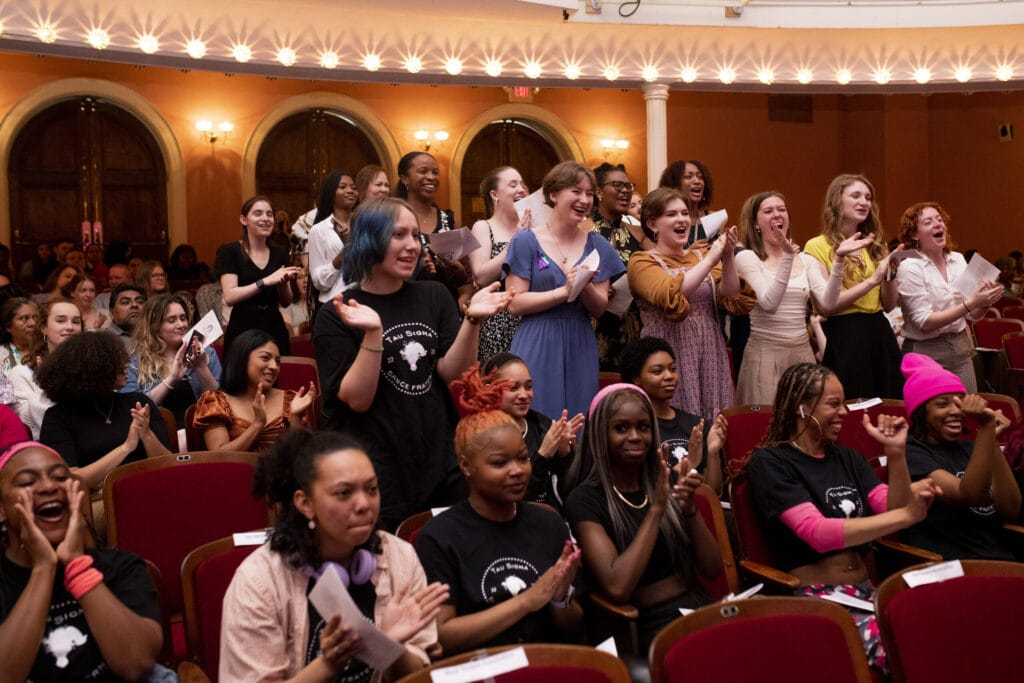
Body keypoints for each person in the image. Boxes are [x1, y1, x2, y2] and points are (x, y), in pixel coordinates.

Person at [313, 197, 512, 529]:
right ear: (368, 240)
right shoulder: (338, 313)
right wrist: (374, 334)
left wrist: (472, 321)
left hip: (438, 462)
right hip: (375, 470)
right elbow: (357, 400)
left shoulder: (433, 296)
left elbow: (454, 374)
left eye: (415, 235)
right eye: (398, 235)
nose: (412, 246)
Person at [744, 362, 940, 671]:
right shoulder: (770, 462)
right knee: (907, 654)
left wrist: (896, 454)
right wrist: (907, 516)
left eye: (844, 403)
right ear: (802, 407)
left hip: (867, 593)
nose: (844, 412)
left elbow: (890, 507)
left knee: (940, 634)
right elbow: (817, 533)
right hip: (816, 598)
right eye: (834, 404)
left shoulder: (848, 457)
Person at [220, 429, 447, 682]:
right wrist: (328, 665)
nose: (364, 504)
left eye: (372, 489)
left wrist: (389, 647)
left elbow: (420, 676)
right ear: (305, 503)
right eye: (344, 493)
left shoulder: (398, 556)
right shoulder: (258, 581)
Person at [415, 367, 583, 654]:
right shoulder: (438, 538)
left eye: (521, 458)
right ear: (467, 466)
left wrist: (559, 598)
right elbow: (440, 637)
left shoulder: (549, 524)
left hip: (544, 662)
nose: (517, 471)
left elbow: (574, 625)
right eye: (499, 463)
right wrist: (528, 600)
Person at [564, 384, 720, 653]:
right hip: (644, 625)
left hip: (696, 605)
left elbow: (712, 567)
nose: (635, 436)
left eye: (644, 427)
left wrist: (690, 510)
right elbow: (617, 587)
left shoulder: (666, 479)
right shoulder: (585, 500)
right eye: (621, 428)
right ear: (601, 434)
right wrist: (657, 510)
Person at [0, 441, 165, 682]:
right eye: (27, 482)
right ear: (1, 508)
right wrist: (43, 569)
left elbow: (137, 664)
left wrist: (77, 566)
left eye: (59, 477)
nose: (48, 486)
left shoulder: (121, 566)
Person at [504, 161, 625, 419]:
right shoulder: (526, 240)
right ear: (553, 194)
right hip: (537, 336)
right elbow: (515, 304)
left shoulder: (598, 245)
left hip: (579, 338)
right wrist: (565, 290)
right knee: (538, 414)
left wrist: (583, 286)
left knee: (578, 416)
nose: (584, 200)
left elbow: (600, 307)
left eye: (590, 193)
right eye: (576, 191)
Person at [627, 188, 749, 420]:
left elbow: (731, 295)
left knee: (714, 421)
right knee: (677, 419)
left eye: (685, 213)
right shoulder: (641, 261)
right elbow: (673, 295)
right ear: (653, 224)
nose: (682, 219)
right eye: (671, 214)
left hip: (709, 347)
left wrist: (727, 257)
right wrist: (713, 257)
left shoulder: (701, 256)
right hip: (667, 351)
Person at [900, 353, 1021, 559]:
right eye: (942, 404)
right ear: (921, 412)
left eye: (959, 403)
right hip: (953, 562)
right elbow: (968, 494)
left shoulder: (969, 447)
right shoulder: (911, 453)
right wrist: (986, 428)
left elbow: (1011, 508)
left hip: (998, 555)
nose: (955, 411)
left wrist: (991, 439)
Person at [734, 191, 844, 404]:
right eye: (768, 211)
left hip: (802, 354)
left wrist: (838, 260)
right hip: (764, 355)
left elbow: (828, 304)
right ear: (756, 224)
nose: (777, 214)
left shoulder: (806, 260)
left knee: (805, 422)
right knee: (766, 425)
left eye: (781, 209)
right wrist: (786, 259)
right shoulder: (748, 257)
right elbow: (769, 303)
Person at [804, 174, 903, 399]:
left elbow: (888, 305)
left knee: (889, 401)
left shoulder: (875, 244)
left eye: (868, 197)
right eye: (856, 196)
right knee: (853, 404)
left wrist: (890, 275)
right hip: (845, 335)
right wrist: (872, 281)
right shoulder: (817, 245)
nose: (864, 202)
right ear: (837, 201)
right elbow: (826, 307)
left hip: (879, 332)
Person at [37, 331, 169, 492]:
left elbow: (167, 464)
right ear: (94, 369)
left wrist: (147, 435)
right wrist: (126, 447)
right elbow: (71, 481)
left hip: (151, 487)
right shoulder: (58, 418)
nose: (127, 365)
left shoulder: (138, 402)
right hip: (99, 499)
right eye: (117, 362)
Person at [897, 202, 1002, 392]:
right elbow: (924, 323)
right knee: (933, 418)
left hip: (961, 349)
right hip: (926, 352)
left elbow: (972, 315)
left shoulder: (958, 259)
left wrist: (984, 302)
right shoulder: (910, 266)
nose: (938, 224)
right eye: (928, 222)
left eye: (939, 220)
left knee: (968, 411)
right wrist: (971, 304)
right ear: (914, 235)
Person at [619, 336, 725, 494]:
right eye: (657, 371)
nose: (669, 376)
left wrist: (713, 453)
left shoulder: (697, 425)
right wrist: (689, 463)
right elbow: (644, 489)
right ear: (636, 378)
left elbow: (712, 493)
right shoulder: (634, 431)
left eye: (673, 369)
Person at [480, 353, 584, 510]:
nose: (524, 395)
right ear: (490, 389)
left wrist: (565, 453)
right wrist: (543, 454)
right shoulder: (480, 435)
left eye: (528, 387)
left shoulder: (542, 426)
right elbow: (510, 498)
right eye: (513, 388)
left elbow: (566, 489)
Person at [192, 329, 316, 452]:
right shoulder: (216, 402)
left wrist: (295, 418)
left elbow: (303, 457)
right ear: (243, 359)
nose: (274, 367)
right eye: (265, 358)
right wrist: (257, 424)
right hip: (235, 472)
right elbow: (220, 458)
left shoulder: (291, 400)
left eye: (277, 361)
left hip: (282, 471)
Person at [217, 195, 302, 356]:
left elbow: (286, 302)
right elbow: (230, 296)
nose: (265, 218)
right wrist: (265, 281)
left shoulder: (280, 253)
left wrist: (283, 283)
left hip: (274, 326)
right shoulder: (231, 251)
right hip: (243, 328)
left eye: (269, 214)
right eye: (258, 213)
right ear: (244, 219)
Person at [122, 294, 221, 425]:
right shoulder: (136, 361)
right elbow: (131, 409)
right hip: (156, 433)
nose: (181, 325)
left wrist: (201, 367)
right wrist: (171, 380)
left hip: (201, 431)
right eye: (171, 320)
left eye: (183, 318)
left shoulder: (206, 353)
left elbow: (220, 401)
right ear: (154, 325)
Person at [591, 162, 648, 373]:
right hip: (593, 324)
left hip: (631, 323)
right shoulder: (583, 230)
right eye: (617, 185)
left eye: (628, 185)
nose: (626, 191)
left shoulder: (638, 232)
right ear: (598, 191)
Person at [394, 151, 472, 302]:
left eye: (435, 172)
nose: (431, 177)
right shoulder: (392, 219)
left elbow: (466, 284)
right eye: (423, 171)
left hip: (445, 309)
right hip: (403, 305)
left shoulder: (448, 221)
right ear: (404, 178)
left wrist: (459, 274)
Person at [469, 166, 528, 361]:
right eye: (513, 185)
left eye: (522, 184)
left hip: (530, 320)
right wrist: (516, 240)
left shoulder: (533, 229)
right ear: (494, 195)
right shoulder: (483, 227)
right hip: (497, 323)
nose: (521, 189)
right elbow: (482, 276)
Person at [9, 299, 83, 439]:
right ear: (44, 327)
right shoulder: (21, 373)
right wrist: (48, 384)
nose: (70, 327)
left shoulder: (93, 366)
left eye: (76, 321)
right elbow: (30, 427)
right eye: (61, 321)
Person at [308, 171, 358, 313]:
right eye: (342, 187)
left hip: (365, 302)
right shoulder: (319, 230)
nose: (350, 191)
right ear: (331, 193)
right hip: (334, 306)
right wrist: (340, 258)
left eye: (353, 188)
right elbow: (318, 282)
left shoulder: (365, 224)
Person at [658, 160, 715, 246]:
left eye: (700, 177)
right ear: (675, 185)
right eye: (688, 176)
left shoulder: (713, 218)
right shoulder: (664, 220)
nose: (697, 181)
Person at [0, 297, 38, 373]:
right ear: (8, 327)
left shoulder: (49, 350)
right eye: (24, 318)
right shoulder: (1, 354)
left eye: (36, 317)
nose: (33, 323)